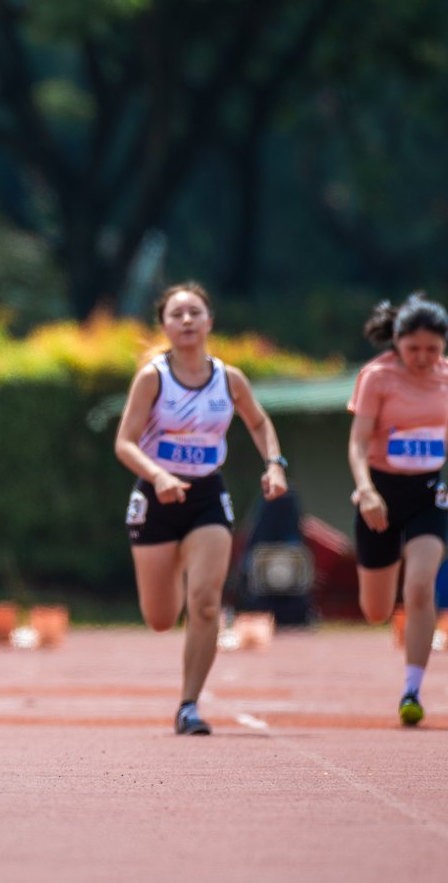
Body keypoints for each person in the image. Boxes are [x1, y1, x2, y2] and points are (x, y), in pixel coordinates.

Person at [112, 283, 288, 735]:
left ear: (210, 321)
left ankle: (189, 705)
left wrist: (274, 464)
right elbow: (125, 443)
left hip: (207, 496)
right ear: (165, 326)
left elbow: (259, 421)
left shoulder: (229, 379)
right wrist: (159, 476)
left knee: (206, 603)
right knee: (160, 618)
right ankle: (170, 570)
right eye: (176, 314)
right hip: (156, 497)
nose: (186, 320)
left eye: (195, 312)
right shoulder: (153, 378)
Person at [347, 293, 448, 727]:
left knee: (420, 587)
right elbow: (357, 442)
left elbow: (444, 417)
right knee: (376, 610)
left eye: (433, 350)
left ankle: (412, 690)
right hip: (380, 494)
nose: (423, 358)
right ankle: (385, 602)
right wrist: (366, 491)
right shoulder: (376, 378)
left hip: (428, 494)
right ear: (397, 342)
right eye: (414, 348)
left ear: (444, 347)